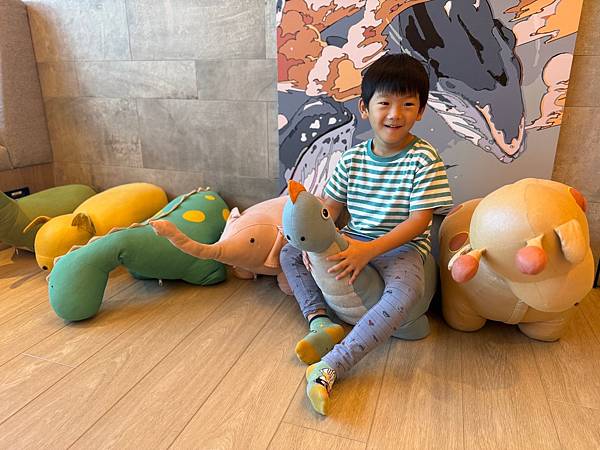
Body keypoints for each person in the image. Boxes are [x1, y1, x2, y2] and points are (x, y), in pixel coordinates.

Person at [279, 53, 453, 415]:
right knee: (289, 253)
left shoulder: (424, 158)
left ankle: (332, 364)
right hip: (353, 236)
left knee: (406, 291)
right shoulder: (352, 159)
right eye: (384, 103)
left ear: (421, 111)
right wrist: (313, 240)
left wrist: (369, 251)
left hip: (401, 248)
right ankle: (319, 320)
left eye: (407, 104)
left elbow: (419, 222)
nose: (395, 114)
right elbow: (331, 208)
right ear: (365, 108)